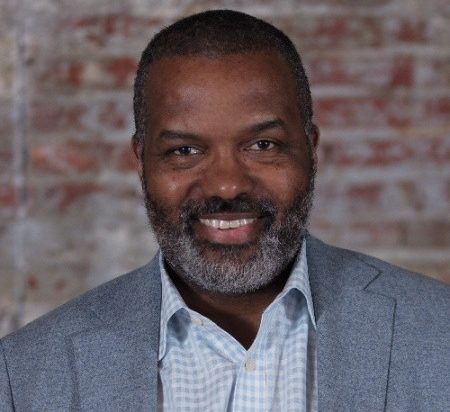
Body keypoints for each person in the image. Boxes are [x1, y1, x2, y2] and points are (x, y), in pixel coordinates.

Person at [1, 9, 449, 411]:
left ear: (311, 150)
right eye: (185, 150)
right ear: (140, 162)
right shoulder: (20, 376)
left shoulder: (438, 334)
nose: (227, 184)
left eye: (262, 145)